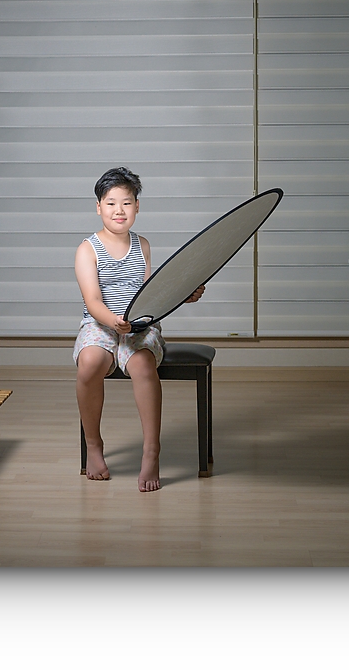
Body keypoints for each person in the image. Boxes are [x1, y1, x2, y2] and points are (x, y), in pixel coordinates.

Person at [73, 167, 204, 492]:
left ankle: (151, 450)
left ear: (137, 207)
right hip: (101, 323)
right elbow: (92, 301)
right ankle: (94, 445)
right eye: (111, 203)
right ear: (99, 207)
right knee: (89, 363)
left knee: (144, 365)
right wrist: (112, 321)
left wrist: (183, 295)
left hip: (139, 326)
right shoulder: (88, 249)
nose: (119, 210)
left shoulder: (142, 245)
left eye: (127, 203)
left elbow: (151, 294)